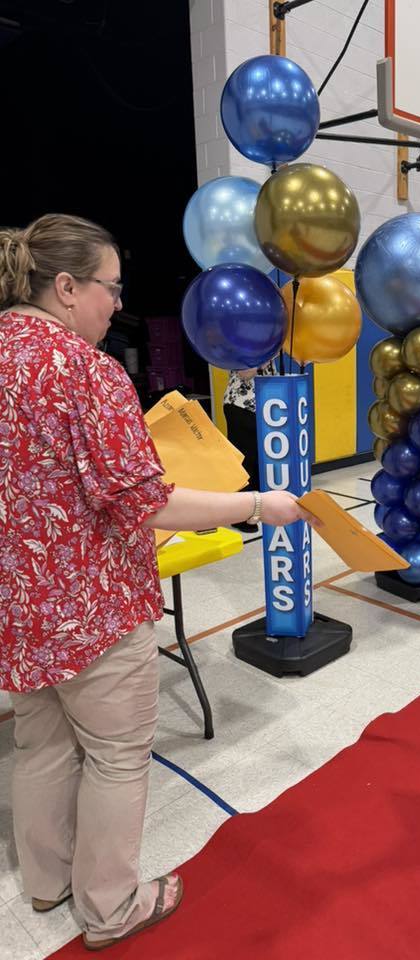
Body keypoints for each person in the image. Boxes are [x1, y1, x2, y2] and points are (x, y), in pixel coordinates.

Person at [0, 214, 314, 951]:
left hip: (21, 605)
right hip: (94, 609)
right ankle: (110, 907)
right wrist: (257, 505)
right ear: (68, 286)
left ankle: (45, 884)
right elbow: (149, 502)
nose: (118, 304)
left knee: (40, 743)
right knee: (115, 756)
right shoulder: (84, 369)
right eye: (111, 288)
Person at [223, 362, 275, 533]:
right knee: (246, 462)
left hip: (260, 406)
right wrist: (266, 356)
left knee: (258, 461)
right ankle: (240, 516)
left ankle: (255, 511)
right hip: (241, 406)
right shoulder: (243, 345)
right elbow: (245, 373)